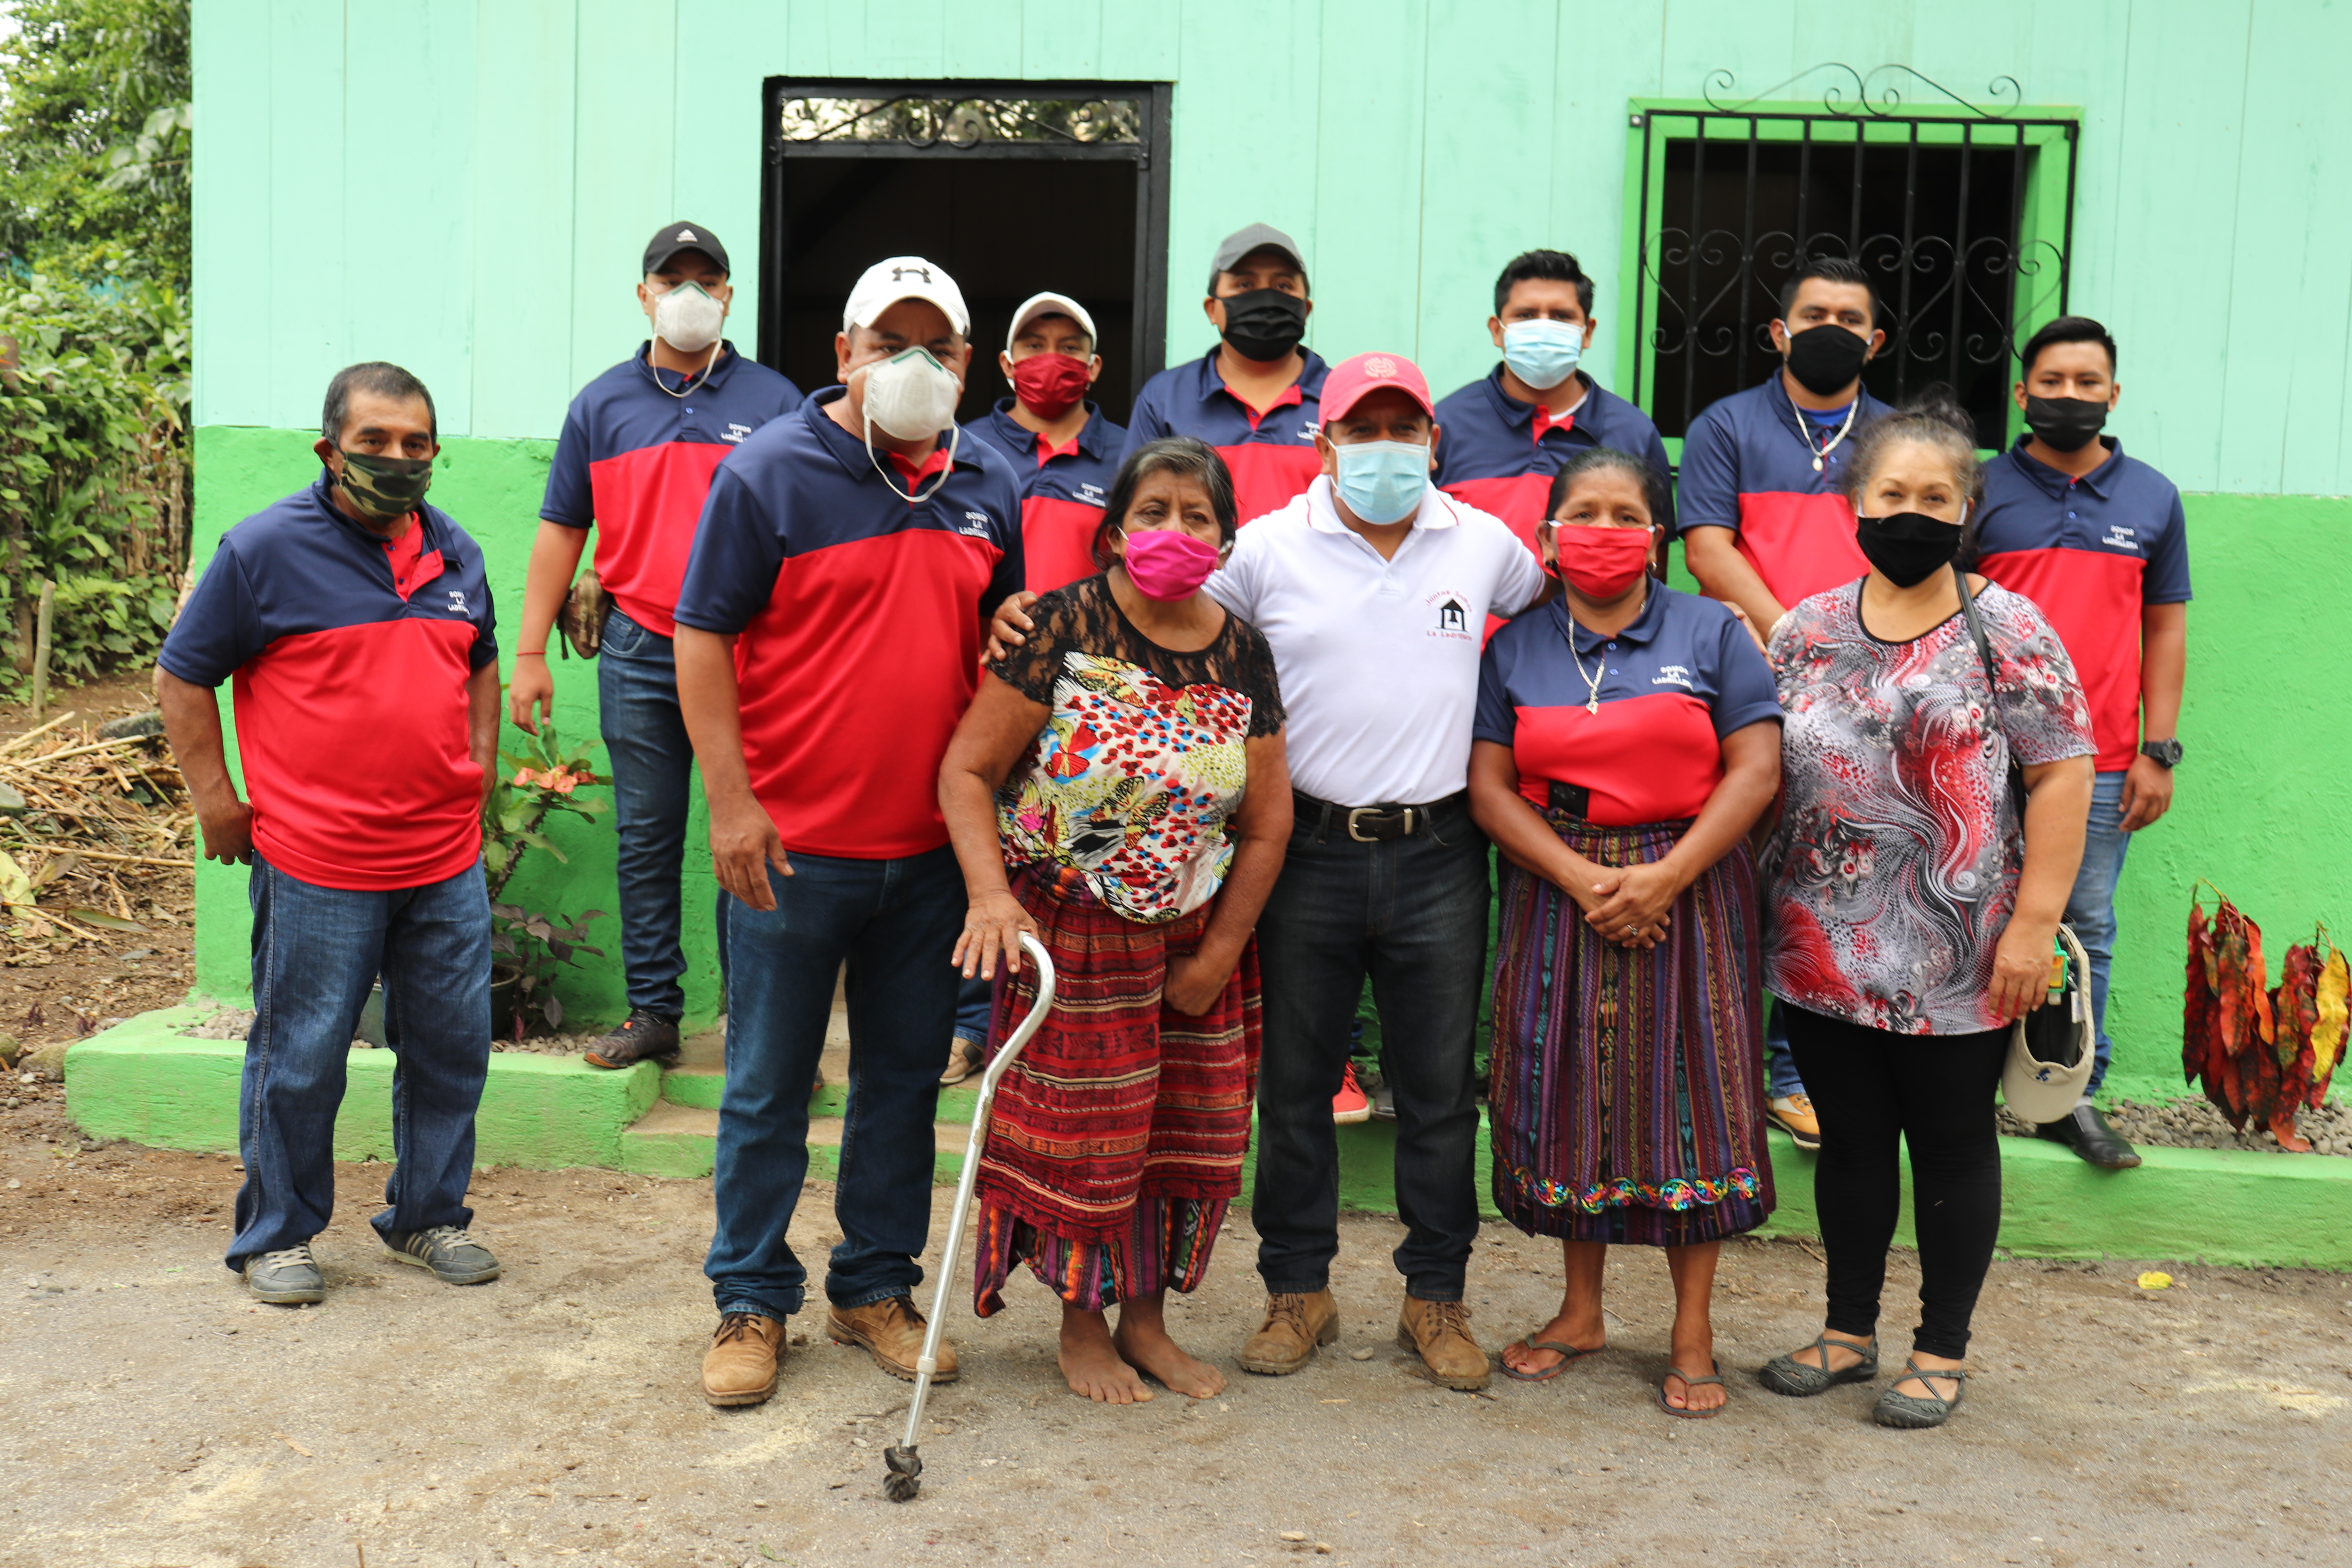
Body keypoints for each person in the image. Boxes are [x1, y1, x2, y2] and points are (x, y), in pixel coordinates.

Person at [671, 257, 1023, 1408]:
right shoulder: (768, 472)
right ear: (843, 353)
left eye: (937, 346)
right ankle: (748, 1299)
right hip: (790, 852)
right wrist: (731, 802)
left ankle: (874, 1286)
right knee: (767, 1087)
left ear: (966, 362)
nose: (913, 364)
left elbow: (998, 639)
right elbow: (701, 634)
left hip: (926, 858)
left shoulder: (990, 480)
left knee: (900, 1085)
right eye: (888, 342)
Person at [1203, 351, 1545, 1392]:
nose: (1384, 448)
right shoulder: (1267, 549)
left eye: (1405, 429)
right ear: (1326, 443)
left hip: (1440, 851)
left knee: (1438, 1092)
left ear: (1434, 442)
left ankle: (1435, 1297)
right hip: (1303, 850)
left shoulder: (1482, 544)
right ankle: (1296, 1291)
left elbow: (1559, 620)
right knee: (1295, 1087)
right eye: (1364, 429)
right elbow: (1171, 625)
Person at [1756, 394, 2094, 1430]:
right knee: (1851, 1144)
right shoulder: (1806, 630)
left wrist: (2033, 925)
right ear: (1856, 501)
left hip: (1963, 951)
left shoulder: (2009, 628)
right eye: (1892, 492)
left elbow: (2064, 773)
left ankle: (1941, 1348)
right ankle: (1846, 1331)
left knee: (1951, 1146)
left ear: (1967, 508)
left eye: (1935, 496)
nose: (1912, 511)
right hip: (1821, 947)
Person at [940, 437, 1291, 1404]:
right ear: (1114, 533)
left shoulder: (1243, 651)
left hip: (1192, 936)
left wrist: (1219, 953)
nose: (1175, 529)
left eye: (1197, 516)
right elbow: (967, 769)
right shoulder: (1059, 626)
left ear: (1225, 540)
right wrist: (990, 894)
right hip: (1072, 936)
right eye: (1154, 512)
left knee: (1177, 1134)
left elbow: (1268, 823)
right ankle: (1081, 1324)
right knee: (1084, 1140)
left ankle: (1146, 1322)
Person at [157, 363, 503, 1305]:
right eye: (374, 442)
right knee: (302, 1057)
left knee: (450, 1047)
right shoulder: (264, 549)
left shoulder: (457, 552)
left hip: (443, 859)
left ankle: (428, 1215)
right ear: (330, 449)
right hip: (319, 861)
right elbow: (183, 674)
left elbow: (480, 659)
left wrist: (480, 765)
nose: (398, 459)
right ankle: (277, 1234)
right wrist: (216, 799)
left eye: (415, 444)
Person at [1468, 447, 1783, 1415]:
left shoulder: (1711, 629)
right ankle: (1580, 1310)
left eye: (1625, 514)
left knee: (1696, 1089)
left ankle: (1692, 1329)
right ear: (1548, 535)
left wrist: (1665, 877)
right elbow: (1489, 785)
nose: (1603, 530)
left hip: (1691, 879)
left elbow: (1757, 767)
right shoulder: (1515, 647)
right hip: (1556, 879)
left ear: (1656, 537)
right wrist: (1581, 878)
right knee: (1573, 1083)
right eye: (1584, 513)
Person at [512, 222, 803, 1070]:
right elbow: (562, 528)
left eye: (706, 279)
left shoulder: (777, 402)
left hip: (749, 653)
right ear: (644, 295)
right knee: (647, 838)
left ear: (729, 295)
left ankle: (758, 1026)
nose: (689, 294)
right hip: (639, 645)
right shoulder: (601, 405)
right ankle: (654, 1013)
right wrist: (528, 655)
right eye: (672, 280)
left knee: (754, 832)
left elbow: (806, 525)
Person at [1678, 255, 1894, 1150]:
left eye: (1849, 319)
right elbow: (1707, 548)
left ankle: (1797, 1075)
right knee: (1737, 875)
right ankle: (1718, 1068)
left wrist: (1852, 655)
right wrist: (1802, 640)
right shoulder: (1725, 425)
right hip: (1746, 686)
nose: (1830, 329)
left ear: (1875, 342)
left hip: (1870, 694)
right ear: (1779, 331)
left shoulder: (1898, 437)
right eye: (1813, 315)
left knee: (1836, 883)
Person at [1972, 316, 2188, 1170]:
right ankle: (1963, 1088)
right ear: (2021, 393)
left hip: (2101, 762)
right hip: (1982, 754)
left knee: (2084, 925)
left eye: (2087, 383)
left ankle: (2069, 1095)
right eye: (2052, 382)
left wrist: (2159, 749)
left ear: (2114, 394)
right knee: (1965, 912)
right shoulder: (1980, 488)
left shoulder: (2153, 498)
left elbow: (2163, 627)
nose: (2070, 396)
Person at [942, 291, 1130, 1088]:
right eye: (1035, 341)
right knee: (975, 857)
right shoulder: (964, 449)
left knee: (1065, 861)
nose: (1053, 357)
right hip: (984, 687)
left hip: (1089, 704)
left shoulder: (1125, 456)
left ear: (1096, 364)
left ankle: (1052, 1023)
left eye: (1070, 343)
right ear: (1005, 362)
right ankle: (967, 1024)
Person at [1433, 249, 1675, 556]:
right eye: (1526, 315)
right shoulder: (1446, 425)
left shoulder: (1635, 432)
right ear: (1497, 330)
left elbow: (1654, 558)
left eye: (1562, 316)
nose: (1543, 328)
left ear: (1587, 332)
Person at [1123, 223, 1327, 527]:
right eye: (1245, 284)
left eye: (1284, 286)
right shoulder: (1165, 399)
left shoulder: (1342, 400)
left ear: (1306, 309)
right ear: (1212, 309)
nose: (1266, 298)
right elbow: (1139, 515)